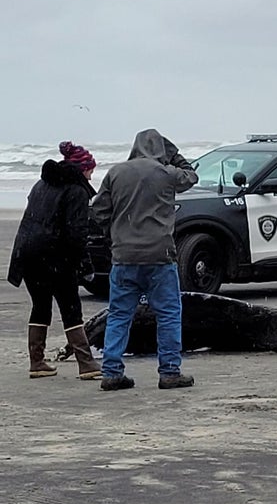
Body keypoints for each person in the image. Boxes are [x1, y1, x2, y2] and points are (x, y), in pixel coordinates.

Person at [91, 129, 198, 391]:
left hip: (124, 256)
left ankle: (112, 371)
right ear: (161, 149)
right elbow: (192, 176)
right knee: (169, 314)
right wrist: (174, 154)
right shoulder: (166, 173)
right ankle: (170, 371)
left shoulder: (116, 172)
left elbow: (98, 210)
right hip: (159, 256)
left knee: (119, 314)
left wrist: (113, 235)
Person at [7, 141, 104, 380]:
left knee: (40, 306)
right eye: (91, 169)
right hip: (54, 257)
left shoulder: (41, 184)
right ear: (82, 169)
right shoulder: (77, 191)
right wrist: (86, 266)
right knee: (71, 308)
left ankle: (37, 362)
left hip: (26, 254)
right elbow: (77, 233)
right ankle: (87, 365)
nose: (92, 176)